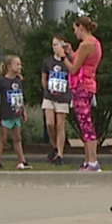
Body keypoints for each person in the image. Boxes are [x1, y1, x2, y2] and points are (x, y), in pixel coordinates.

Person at [60, 16, 104, 171]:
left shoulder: (86, 45)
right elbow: (80, 62)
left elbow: (73, 69)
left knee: (86, 124)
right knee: (84, 122)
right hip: (88, 84)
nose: (74, 32)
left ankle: (93, 160)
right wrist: (71, 52)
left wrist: (62, 56)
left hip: (82, 86)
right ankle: (88, 159)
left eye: (75, 28)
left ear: (81, 27)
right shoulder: (94, 43)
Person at [0, 55, 31, 170]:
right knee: (3, 137)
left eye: (20, 64)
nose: (20, 66)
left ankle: (22, 160)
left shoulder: (18, 81)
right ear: (9, 67)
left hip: (16, 112)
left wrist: (23, 111)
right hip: (6, 113)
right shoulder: (2, 81)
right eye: (17, 64)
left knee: (17, 137)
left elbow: (20, 96)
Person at [42, 36, 72, 165]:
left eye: (58, 45)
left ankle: (60, 154)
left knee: (60, 125)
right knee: (50, 124)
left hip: (63, 97)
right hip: (49, 96)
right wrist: (47, 89)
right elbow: (44, 78)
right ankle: (55, 145)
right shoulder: (47, 62)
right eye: (53, 45)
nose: (55, 47)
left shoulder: (68, 61)